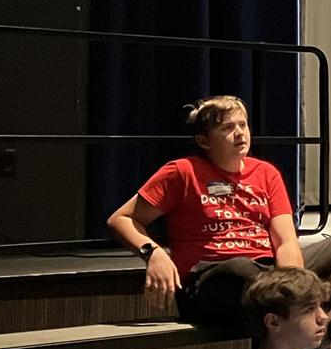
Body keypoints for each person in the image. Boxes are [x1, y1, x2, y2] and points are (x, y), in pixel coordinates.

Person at [107, 94, 304, 329]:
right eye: (227, 128)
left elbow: (285, 242)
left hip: (268, 273)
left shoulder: (266, 173)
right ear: (204, 141)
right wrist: (154, 253)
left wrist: (295, 285)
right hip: (211, 278)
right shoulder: (182, 172)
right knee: (240, 269)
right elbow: (121, 219)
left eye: (243, 124)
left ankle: (291, 307)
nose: (240, 133)